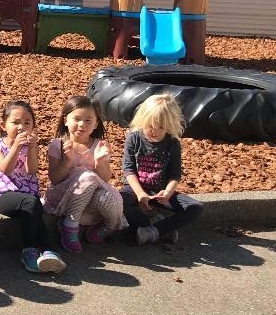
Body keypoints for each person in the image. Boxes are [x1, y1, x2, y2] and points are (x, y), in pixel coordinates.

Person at [0, 101, 66, 274]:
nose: (21, 127)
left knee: (33, 206)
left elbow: (31, 170)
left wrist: (31, 148)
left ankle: (50, 254)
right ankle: (30, 251)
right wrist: (15, 147)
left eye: (27, 123)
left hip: (28, 198)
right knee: (32, 204)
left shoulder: (32, 146)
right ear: (3, 125)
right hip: (3, 196)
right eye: (15, 122)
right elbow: (6, 169)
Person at [43, 95, 127, 253]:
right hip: (64, 198)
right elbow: (54, 180)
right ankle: (70, 225)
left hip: (90, 201)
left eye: (88, 120)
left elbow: (104, 180)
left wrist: (100, 162)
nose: (81, 124)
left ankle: (109, 226)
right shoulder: (58, 145)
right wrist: (67, 163)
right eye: (76, 118)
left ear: (96, 124)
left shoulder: (98, 146)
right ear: (66, 120)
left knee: (109, 196)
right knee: (86, 174)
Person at [120, 94, 204, 245]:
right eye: (150, 125)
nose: (154, 131)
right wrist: (140, 194)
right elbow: (128, 170)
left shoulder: (172, 143)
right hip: (135, 189)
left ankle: (155, 231)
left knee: (195, 208)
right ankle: (157, 227)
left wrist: (168, 192)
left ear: (169, 125)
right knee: (118, 202)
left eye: (160, 127)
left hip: (159, 193)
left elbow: (175, 175)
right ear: (142, 120)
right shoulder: (134, 138)